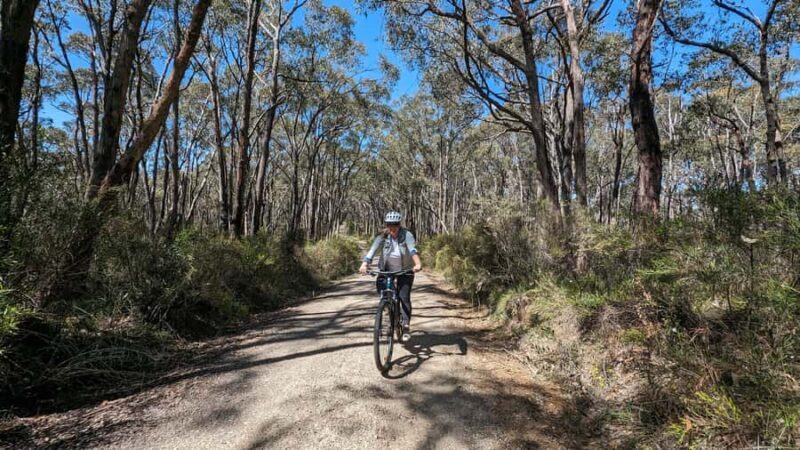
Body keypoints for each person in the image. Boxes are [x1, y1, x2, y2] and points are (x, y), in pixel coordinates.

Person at [359, 211, 422, 341]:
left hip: (405, 270)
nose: (392, 227)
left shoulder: (407, 235)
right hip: (386, 268)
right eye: (389, 225)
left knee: (403, 297)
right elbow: (372, 251)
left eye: (395, 225)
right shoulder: (382, 236)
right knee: (383, 290)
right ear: (387, 225)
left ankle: (405, 325)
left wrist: (417, 264)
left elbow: (412, 250)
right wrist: (365, 264)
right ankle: (388, 306)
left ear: (399, 225)